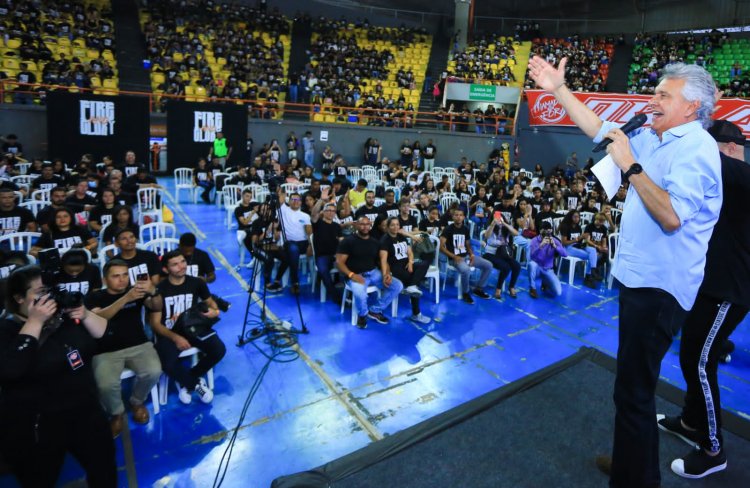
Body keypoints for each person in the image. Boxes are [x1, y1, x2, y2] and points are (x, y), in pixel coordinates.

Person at [529, 57, 722, 488]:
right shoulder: (656, 136)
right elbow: (598, 127)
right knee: (631, 389)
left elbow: (671, 216)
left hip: (659, 289)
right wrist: (558, 89)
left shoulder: (695, 149)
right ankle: (632, 467)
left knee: (634, 392)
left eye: (663, 95)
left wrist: (631, 167)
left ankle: (635, 480)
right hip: (639, 280)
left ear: (691, 107)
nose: (652, 100)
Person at [656, 120, 750, 479]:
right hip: (711, 286)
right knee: (690, 354)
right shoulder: (733, 176)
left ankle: (713, 448)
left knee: (700, 361)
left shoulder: (740, 175)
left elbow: (697, 152)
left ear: (724, 148)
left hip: (729, 290)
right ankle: (692, 422)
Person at [0, 265, 116, 486]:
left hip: (86, 413)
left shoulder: (63, 320)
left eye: (51, 291)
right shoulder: (7, 330)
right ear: (18, 298)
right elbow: (10, 370)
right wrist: (35, 321)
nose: (50, 299)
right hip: (38, 425)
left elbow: (109, 338)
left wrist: (85, 314)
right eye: (41, 293)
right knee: (39, 478)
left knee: (103, 469)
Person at [85, 259, 162, 438]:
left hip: (139, 344)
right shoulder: (95, 296)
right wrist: (125, 299)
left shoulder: (136, 291)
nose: (122, 280)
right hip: (105, 350)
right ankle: (116, 413)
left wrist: (153, 291)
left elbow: (156, 306)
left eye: (125, 275)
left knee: (154, 371)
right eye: (116, 276)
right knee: (105, 384)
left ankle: (137, 402)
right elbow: (100, 318)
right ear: (105, 280)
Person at [148, 250, 225, 404]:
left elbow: (210, 302)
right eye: (175, 264)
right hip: (169, 332)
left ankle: (187, 379)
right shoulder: (159, 290)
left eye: (183, 261)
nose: (181, 266)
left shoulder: (197, 282)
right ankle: (195, 384)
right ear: (165, 269)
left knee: (219, 350)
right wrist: (176, 338)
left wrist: (214, 311)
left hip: (193, 327)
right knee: (166, 363)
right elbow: (155, 324)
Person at [336, 216, 403, 329]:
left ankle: (374, 310)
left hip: (373, 273)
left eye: (367, 224)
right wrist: (352, 275)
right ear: (356, 225)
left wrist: (387, 274)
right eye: (362, 224)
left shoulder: (374, 242)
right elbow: (339, 263)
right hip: (355, 275)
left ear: (370, 226)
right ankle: (362, 315)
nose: (365, 227)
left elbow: (383, 260)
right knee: (360, 294)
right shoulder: (348, 241)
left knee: (397, 286)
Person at [379, 217, 431, 324]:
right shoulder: (385, 240)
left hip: (406, 264)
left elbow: (410, 251)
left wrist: (411, 262)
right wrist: (385, 274)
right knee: (414, 281)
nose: (395, 227)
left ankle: (412, 287)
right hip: (395, 268)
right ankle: (416, 314)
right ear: (388, 227)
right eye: (392, 225)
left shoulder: (401, 236)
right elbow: (383, 260)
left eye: (397, 224)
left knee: (424, 264)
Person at [439, 208, 493, 304]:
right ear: (453, 217)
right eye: (456, 215)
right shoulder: (448, 229)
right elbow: (441, 247)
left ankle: (478, 289)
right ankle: (465, 293)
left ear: (464, 217)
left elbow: (468, 244)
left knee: (488, 265)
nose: (458, 217)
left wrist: (472, 254)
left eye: (460, 215)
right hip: (454, 259)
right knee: (466, 270)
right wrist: (454, 256)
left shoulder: (465, 229)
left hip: (466, 256)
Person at [277, 191, 312, 294]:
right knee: (293, 250)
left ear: (301, 202)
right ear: (289, 201)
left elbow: (309, 232)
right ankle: (295, 282)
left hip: (303, 243)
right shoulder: (284, 210)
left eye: (298, 200)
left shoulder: (305, 216)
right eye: (293, 199)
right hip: (289, 243)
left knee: (295, 251)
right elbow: (280, 199)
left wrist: (310, 245)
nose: (295, 202)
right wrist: (282, 192)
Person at [482, 212, 521, 299]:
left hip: (503, 254)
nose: (498, 219)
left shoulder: (505, 228)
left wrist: (504, 224)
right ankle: (498, 289)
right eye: (496, 218)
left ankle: (511, 287)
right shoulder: (490, 227)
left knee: (517, 266)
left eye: (500, 217)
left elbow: (516, 233)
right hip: (490, 253)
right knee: (506, 267)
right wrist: (492, 224)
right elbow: (487, 236)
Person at [527, 222, 566, 298]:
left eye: (549, 231)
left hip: (548, 269)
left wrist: (555, 246)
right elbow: (531, 256)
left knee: (558, 292)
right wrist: (540, 246)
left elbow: (565, 254)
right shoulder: (534, 240)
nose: (547, 234)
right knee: (531, 264)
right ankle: (532, 288)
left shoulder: (554, 240)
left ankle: (545, 282)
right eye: (545, 231)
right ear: (541, 231)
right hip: (537, 267)